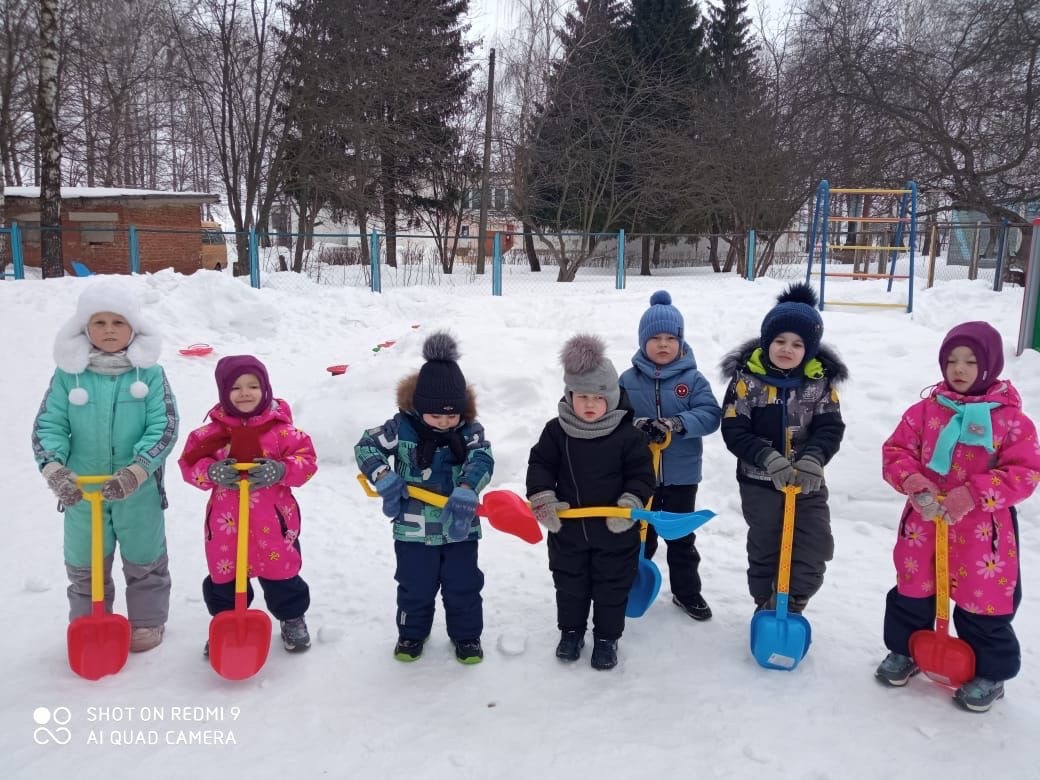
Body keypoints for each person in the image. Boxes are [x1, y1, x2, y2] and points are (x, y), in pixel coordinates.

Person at [876, 321, 1040, 712]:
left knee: (983, 605)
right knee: (912, 592)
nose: (959, 369)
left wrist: (973, 493)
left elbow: (1026, 472)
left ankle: (991, 673)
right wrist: (915, 483)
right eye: (951, 361)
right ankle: (905, 650)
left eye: (970, 361)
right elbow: (895, 452)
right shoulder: (924, 411)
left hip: (984, 532)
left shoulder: (1012, 421)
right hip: (924, 523)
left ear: (990, 366)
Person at [32, 281, 180, 653]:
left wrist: (138, 469)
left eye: (118, 322)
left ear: (133, 328)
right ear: (84, 328)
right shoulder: (70, 375)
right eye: (99, 323)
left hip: (138, 489)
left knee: (144, 557)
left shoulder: (149, 374)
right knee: (85, 562)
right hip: (83, 490)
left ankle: (146, 622)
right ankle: (88, 623)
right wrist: (56, 470)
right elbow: (50, 424)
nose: (109, 330)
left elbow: (164, 424)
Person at [354, 332, 493, 664]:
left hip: (460, 528)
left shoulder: (470, 431)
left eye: (451, 415)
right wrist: (383, 476)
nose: (445, 422)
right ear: (418, 407)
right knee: (414, 587)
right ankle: (411, 634)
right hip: (413, 531)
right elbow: (366, 446)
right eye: (436, 415)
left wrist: (468, 487)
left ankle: (467, 638)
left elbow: (482, 459)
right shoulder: (400, 428)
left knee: (464, 587)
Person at [527, 334, 656, 670]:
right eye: (581, 396)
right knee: (569, 586)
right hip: (567, 531)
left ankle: (606, 639)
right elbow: (540, 465)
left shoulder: (629, 436)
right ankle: (570, 633)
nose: (588, 404)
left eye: (597, 397)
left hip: (615, 532)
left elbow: (642, 475)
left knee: (612, 589)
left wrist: (630, 503)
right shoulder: (556, 432)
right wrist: (543, 498)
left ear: (611, 397)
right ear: (569, 396)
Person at [719, 282, 847, 616]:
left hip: (807, 481)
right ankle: (765, 601)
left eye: (797, 343)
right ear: (766, 341)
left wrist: (813, 459)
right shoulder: (747, 381)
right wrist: (767, 457)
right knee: (765, 544)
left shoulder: (819, 383)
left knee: (815, 541)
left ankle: (795, 599)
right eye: (779, 341)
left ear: (811, 349)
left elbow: (830, 427)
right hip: (759, 481)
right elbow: (734, 428)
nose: (786, 349)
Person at [179, 355, 317, 654]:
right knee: (225, 577)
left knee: (281, 573)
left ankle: (292, 617)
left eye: (253, 386)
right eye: (236, 388)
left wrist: (281, 470)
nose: (245, 393)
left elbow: (306, 461)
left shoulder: (282, 431)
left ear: (265, 389)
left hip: (274, 523)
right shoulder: (211, 434)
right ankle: (226, 623)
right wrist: (210, 471)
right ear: (222, 392)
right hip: (225, 526)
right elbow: (189, 464)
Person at [619, 291, 722, 621]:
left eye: (670, 338)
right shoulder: (628, 380)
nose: (663, 344)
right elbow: (615, 417)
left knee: (680, 538)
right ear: (642, 341)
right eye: (655, 338)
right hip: (639, 475)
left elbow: (710, 414)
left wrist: (676, 423)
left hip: (681, 476)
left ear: (680, 341)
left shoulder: (692, 380)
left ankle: (686, 592)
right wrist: (640, 426)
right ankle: (627, 584)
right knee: (639, 535)